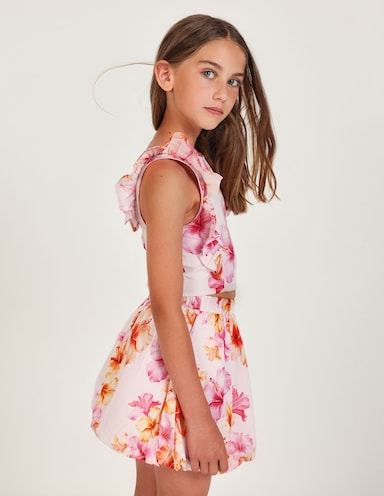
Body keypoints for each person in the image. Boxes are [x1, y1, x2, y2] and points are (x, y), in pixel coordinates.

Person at [91, 14, 276, 496]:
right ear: (166, 75)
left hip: (190, 350)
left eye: (233, 81)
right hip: (185, 360)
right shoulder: (170, 175)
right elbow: (166, 302)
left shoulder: (186, 165)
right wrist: (199, 419)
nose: (224, 93)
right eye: (208, 72)